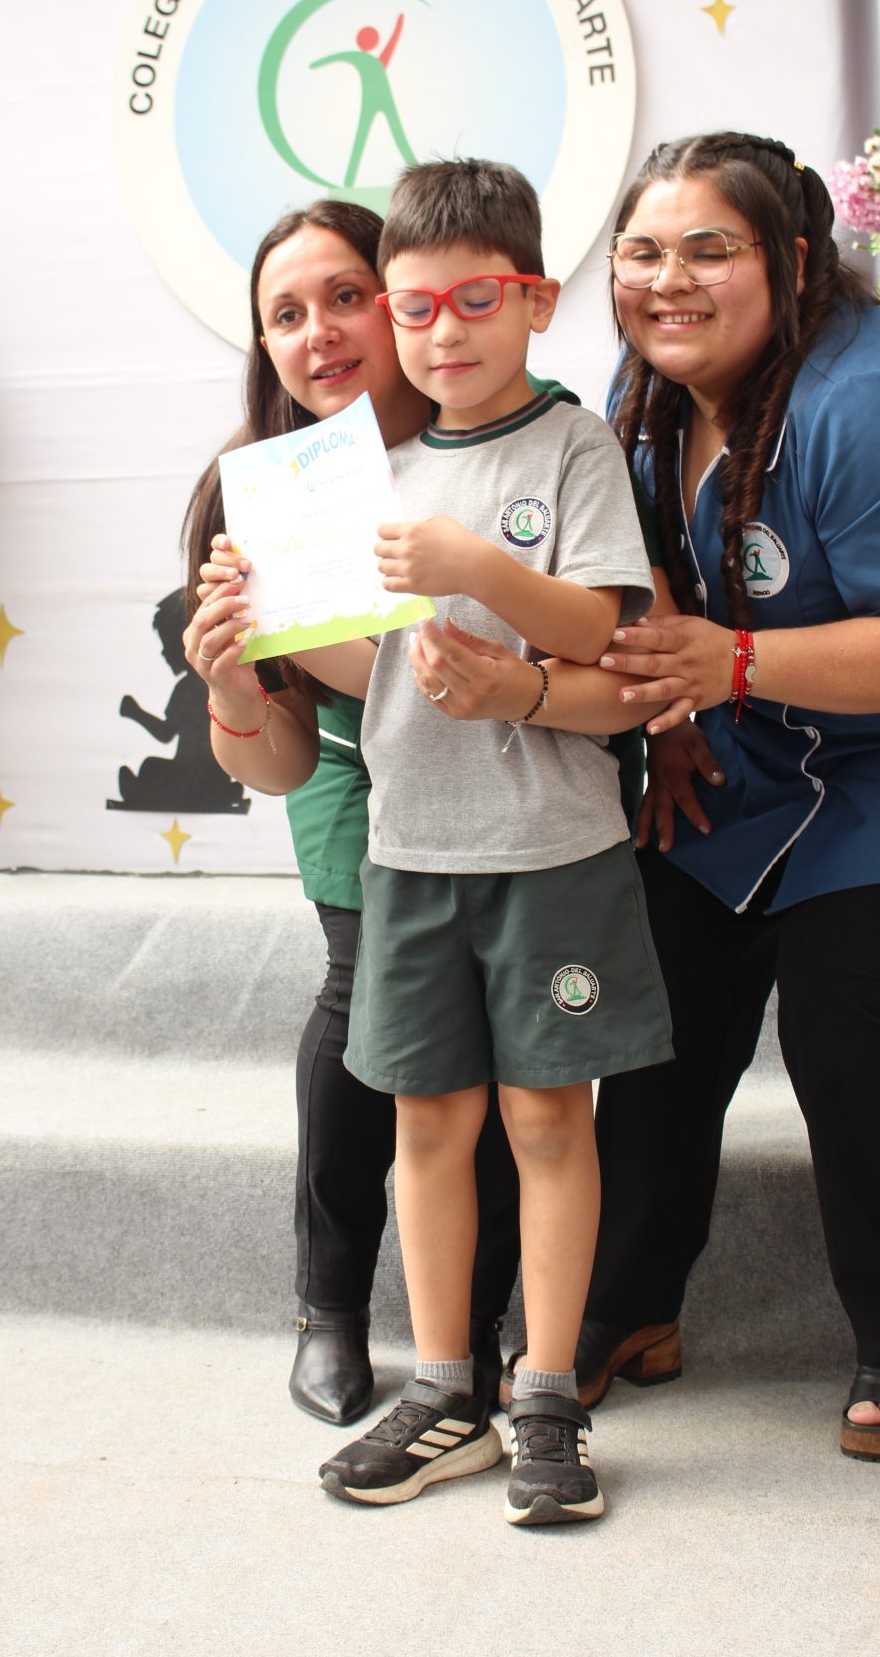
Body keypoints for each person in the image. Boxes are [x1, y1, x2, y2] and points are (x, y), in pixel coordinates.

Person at [409, 131, 880, 1463]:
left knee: (840, 993)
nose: (669, 280)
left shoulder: (875, 406)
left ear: (795, 262)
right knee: (653, 973)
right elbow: (645, 578)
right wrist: (671, 728)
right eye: (644, 252)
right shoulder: (643, 393)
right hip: (767, 737)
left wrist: (736, 664)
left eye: (712, 249)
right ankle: (631, 1304)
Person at [311, 157, 673, 1527]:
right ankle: (445, 1382)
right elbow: (375, 670)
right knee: (431, 1123)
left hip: (553, 854)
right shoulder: (373, 470)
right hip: (413, 852)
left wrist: (477, 570)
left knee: (545, 1120)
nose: (444, 331)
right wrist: (262, 627)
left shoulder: (573, 447)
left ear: (534, 299)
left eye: (475, 300)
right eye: (415, 308)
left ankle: (549, 1391)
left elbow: (601, 633)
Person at [181, 199, 521, 1428]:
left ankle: (480, 1327)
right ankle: (331, 1304)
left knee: (502, 1030)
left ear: (404, 297)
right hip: (346, 766)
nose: (318, 331)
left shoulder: (504, 439)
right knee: (366, 982)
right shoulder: (250, 495)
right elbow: (273, 764)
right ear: (263, 347)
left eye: (344, 295)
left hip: (507, 754)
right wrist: (228, 678)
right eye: (285, 314)